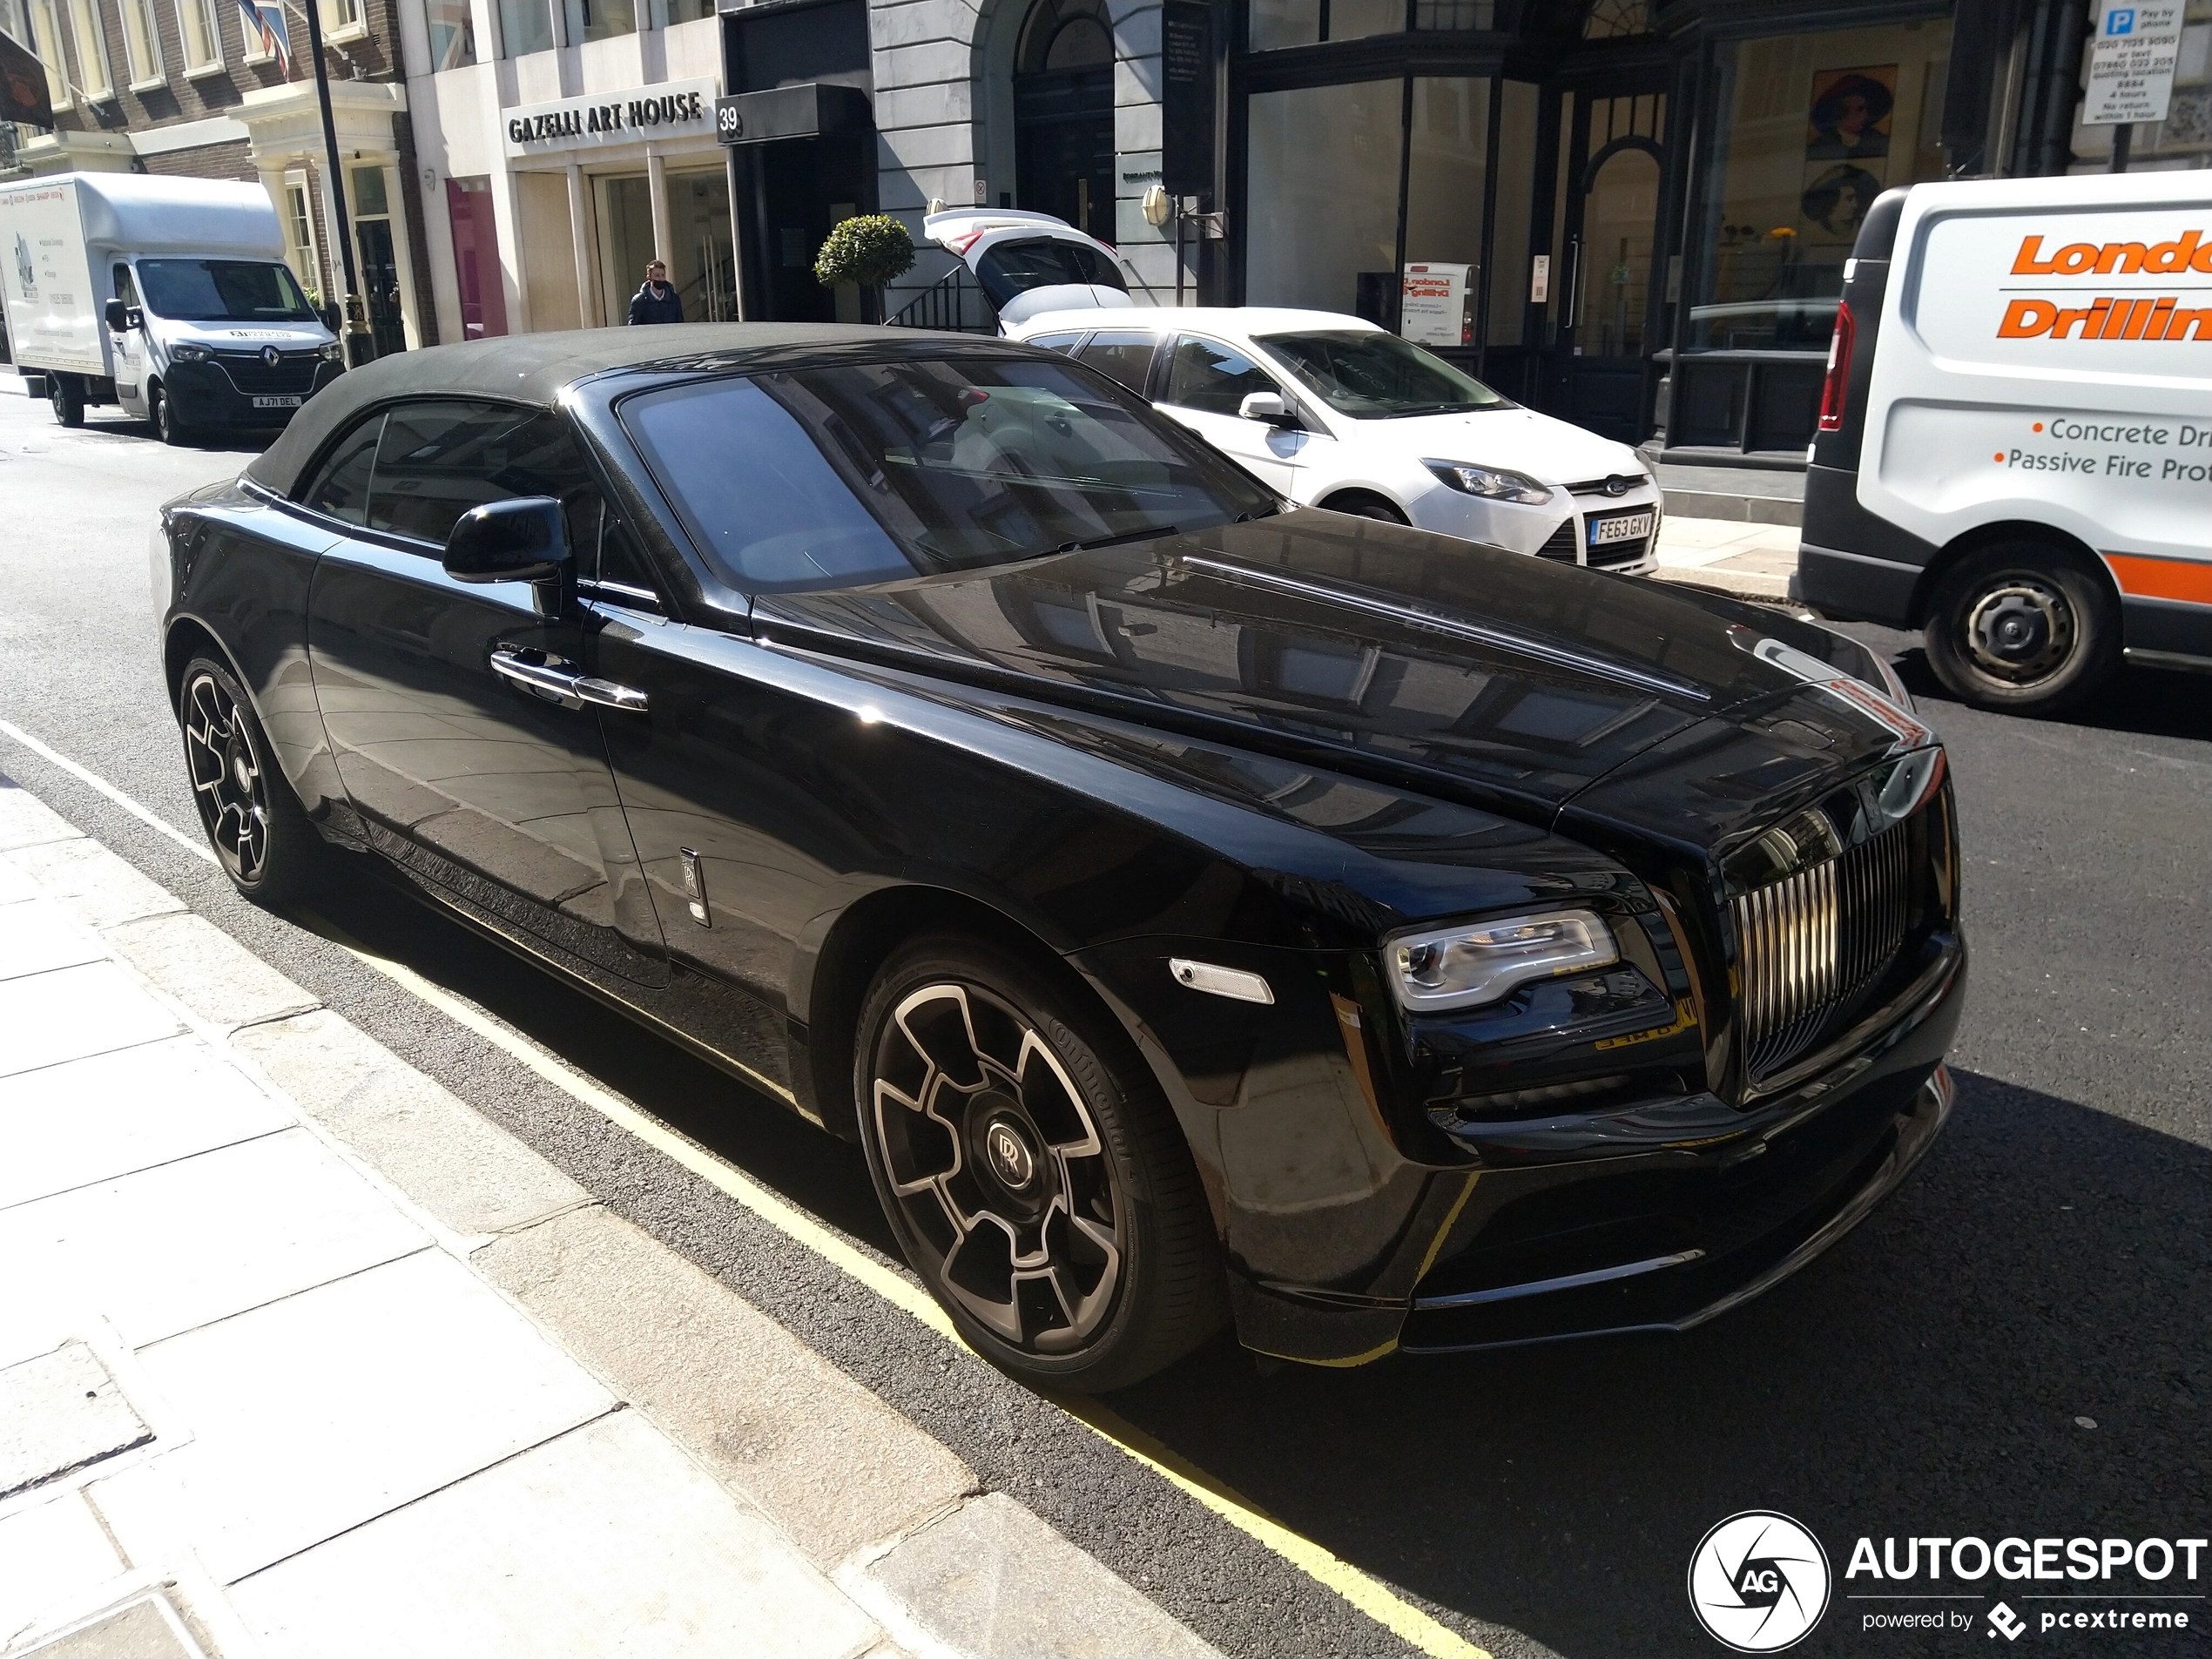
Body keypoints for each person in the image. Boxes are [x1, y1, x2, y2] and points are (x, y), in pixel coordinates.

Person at [627, 260, 684, 325]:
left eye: (663, 275)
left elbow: (680, 323)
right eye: (657, 275)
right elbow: (633, 326)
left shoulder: (674, 299)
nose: (660, 278)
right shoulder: (639, 301)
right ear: (649, 277)